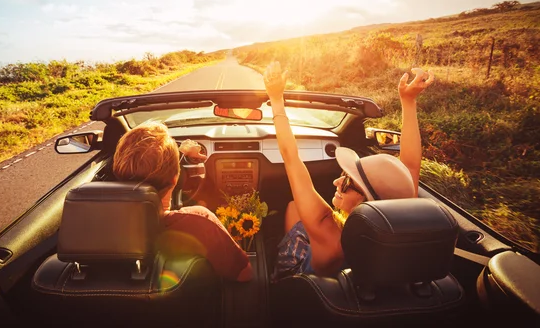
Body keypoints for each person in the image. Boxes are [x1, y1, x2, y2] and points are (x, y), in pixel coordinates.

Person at [263, 61, 435, 280]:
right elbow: (410, 166)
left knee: (293, 209)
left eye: (347, 182)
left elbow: (291, 157)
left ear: (365, 203)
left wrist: (276, 99)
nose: (336, 182)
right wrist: (408, 102)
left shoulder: (329, 235)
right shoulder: (396, 211)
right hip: (350, 285)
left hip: (299, 284)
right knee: (295, 207)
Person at [112, 122, 253, 282]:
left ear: (117, 171)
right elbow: (245, 275)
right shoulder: (200, 221)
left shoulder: (95, 223)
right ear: (176, 178)